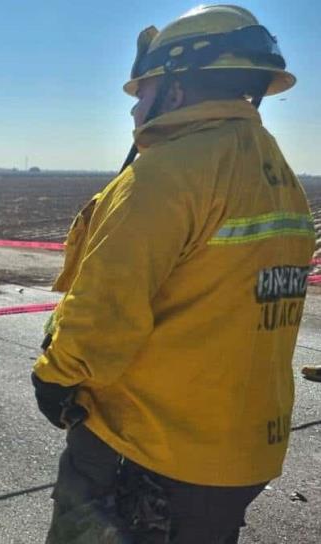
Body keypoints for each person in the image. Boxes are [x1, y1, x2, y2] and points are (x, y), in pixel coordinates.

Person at [31, 6, 312, 543]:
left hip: (148, 446)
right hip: (240, 451)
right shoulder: (276, 173)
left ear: (176, 90)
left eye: (143, 91)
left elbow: (105, 308)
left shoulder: (164, 175)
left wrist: (55, 376)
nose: (135, 105)